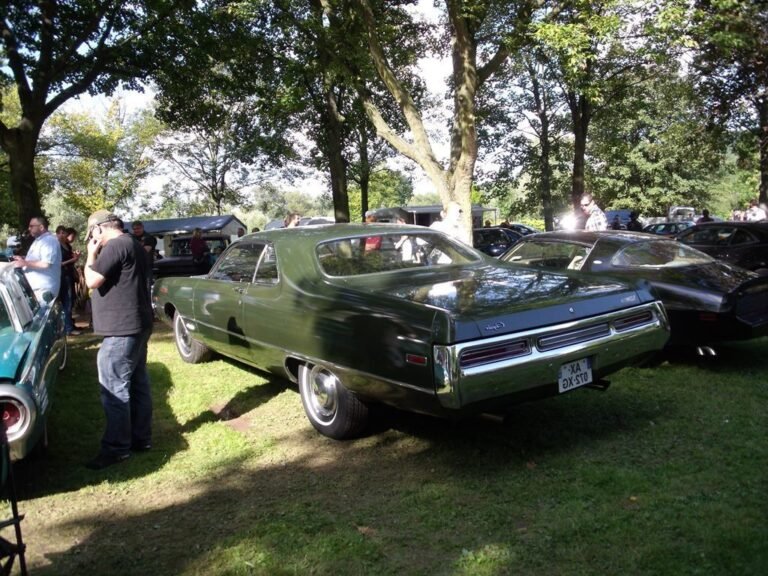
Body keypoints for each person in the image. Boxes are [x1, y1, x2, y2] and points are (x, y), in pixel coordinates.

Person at [83, 210, 154, 470]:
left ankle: (116, 448)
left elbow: (91, 280)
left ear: (99, 229)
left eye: (91, 233)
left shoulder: (114, 246)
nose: (91, 238)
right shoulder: (133, 244)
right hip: (137, 325)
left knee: (114, 387)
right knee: (137, 383)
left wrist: (91, 254)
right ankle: (140, 439)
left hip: (121, 330)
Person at [11, 216, 62, 304]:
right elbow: (37, 259)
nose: (29, 228)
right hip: (37, 289)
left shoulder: (49, 240)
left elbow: (45, 264)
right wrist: (23, 259)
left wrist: (24, 262)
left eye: (31, 226)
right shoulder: (39, 240)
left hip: (44, 290)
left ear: (41, 227)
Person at [56, 225, 81, 335]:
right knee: (67, 300)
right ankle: (67, 328)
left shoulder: (67, 246)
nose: (63, 235)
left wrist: (75, 259)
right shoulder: (57, 246)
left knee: (70, 300)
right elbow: (58, 263)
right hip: (63, 276)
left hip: (69, 275)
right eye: (61, 233)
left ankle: (70, 324)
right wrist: (73, 259)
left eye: (64, 233)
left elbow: (71, 261)